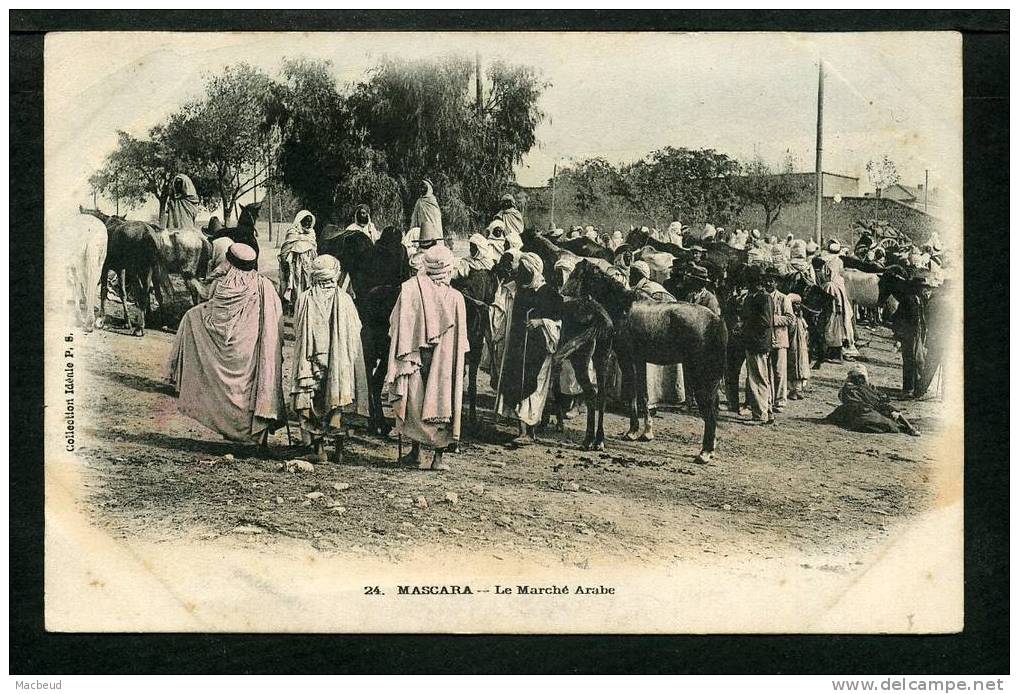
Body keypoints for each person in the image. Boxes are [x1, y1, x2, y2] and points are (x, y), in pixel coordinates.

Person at [166, 243, 285, 446]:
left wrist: (190, 316)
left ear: (229, 262)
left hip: (234, 354)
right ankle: (258, 436)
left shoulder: (224, 287)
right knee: (254, 388)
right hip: (253, 353)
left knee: (190, 317)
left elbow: (208, 315)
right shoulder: (265, 286)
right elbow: (278, 323)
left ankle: (237, 432)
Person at [383, 243, 469, 471]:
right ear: (448, 268)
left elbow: (395, 325)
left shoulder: (410, 290)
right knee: (442, 400)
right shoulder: (456, 297)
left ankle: (415, 453)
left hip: (415, 357)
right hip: (443, 360)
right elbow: (462, 339)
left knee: (414, 401)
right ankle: (437, 459)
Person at [290, 255, 370, 463]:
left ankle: (319, 450)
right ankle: (340, 451)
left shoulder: (305, 299)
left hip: (311, 362)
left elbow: (298, 331)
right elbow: (355, 331)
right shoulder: (345, 300)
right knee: (338, 396)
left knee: (313, 400)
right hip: (339, 360)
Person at [496, 252, 564, 445]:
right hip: (519, 347)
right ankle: (522, 430)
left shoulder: (550, 293)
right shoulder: (522, 291)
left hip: (540, 349)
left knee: (535, 388)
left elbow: (558, 322)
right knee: (518, 384)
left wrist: (541, 322)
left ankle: (530, 431)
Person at [826, 365, 919, 435]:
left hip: (858, 410)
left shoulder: (859, 387)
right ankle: (908, 427)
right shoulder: (858, 388)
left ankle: (908, 427)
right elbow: (878, 400)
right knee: (888, 420)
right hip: (861, 410)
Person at [740, 267, 775, 424]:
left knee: (758, 378)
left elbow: (766, 322)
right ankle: (766, 410)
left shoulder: (763, 298)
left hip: (758, 342)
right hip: (753, 341)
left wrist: (747, 325)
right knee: (759, 377)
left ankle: (761, 414)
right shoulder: (752, 297)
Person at [816, 239, 855, 363]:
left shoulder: (827, 267)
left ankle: (835, 353)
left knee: (832, 325)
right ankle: (837, 350)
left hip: (833, 299)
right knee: (839, 324)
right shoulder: (838, 264)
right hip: (838, 298)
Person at [763, 267, 796, 412]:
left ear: (776, 283)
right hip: (765, 340)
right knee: (766, 371)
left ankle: (780, 400)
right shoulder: (763, 297)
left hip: (780, 340)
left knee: (779, 372)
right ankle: (768, 399)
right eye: (767, 280)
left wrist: (771, 320)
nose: (769, 283)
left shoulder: (783, 298)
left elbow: (790, 318)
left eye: (772, 281)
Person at [278, 209, 318, 312]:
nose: (308, 223)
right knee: (296, 286)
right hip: (296, 266)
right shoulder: (293, 232)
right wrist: (285, 263)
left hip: (308, 265)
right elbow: (285, 250)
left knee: (308, 285)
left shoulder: (311, 233)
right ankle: (295, 307)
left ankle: (306, 307)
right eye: (306, 220)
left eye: (310, 221)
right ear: (300, 220)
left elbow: (314, 249)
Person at [786, 292, 812, 400]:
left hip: (802, 346)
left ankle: (797, 390)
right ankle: (792, 391)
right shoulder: (790, 318)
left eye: (799, 304)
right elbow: (790, 330)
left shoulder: (800, 318)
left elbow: (805, 329)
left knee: (802, 366)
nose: (797, 306)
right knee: (793, 366)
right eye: (795, 304)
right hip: (793, 345)